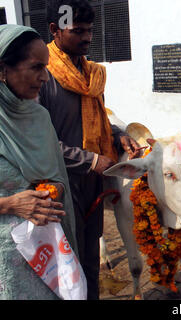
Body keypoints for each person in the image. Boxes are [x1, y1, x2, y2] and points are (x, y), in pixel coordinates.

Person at [39, 0, 141, 300]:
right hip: (60, 184)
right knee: (67, 261)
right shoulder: (41, 76)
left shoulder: (92, 75)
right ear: (54, 31)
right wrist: (91, 159)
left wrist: (118, 135)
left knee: (90, 260)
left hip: (92, 182)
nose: (87, 37)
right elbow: (42, 141)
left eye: (90, 30)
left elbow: (98, 119)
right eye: (78, 31)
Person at [0, 24, 78, 299]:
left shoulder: (39, 117)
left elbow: (54, 174)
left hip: (47, 254)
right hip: (6, 266)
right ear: (3, 70)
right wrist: (10, 204)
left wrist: (53, 188)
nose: (45, 77)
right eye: (36, 67)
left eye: (46, 67)